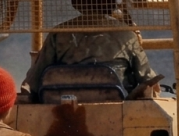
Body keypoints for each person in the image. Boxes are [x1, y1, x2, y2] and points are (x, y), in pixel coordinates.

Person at [22, 0, 159, 98]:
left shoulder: (58, 33)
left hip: (62, 105)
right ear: (110, 3)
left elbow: (35, 78)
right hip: (116, 102)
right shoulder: (126, 33)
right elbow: (146, 77)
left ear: (77, 3)